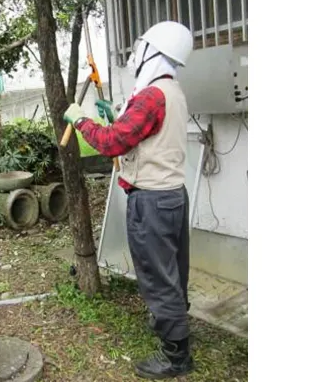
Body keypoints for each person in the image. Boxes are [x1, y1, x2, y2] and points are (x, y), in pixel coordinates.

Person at [63, 21, 195, 379]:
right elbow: (141, 132)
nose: (136, 54)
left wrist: (81, 121)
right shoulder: (171, 91)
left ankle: (176, 357)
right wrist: (115, 115)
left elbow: (111, 144)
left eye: (142, 48)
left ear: (155, 53)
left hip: (151, 201)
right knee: (173, 271)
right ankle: (175, 329)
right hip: (171, 196)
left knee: (157, 276)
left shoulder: (151, 97)